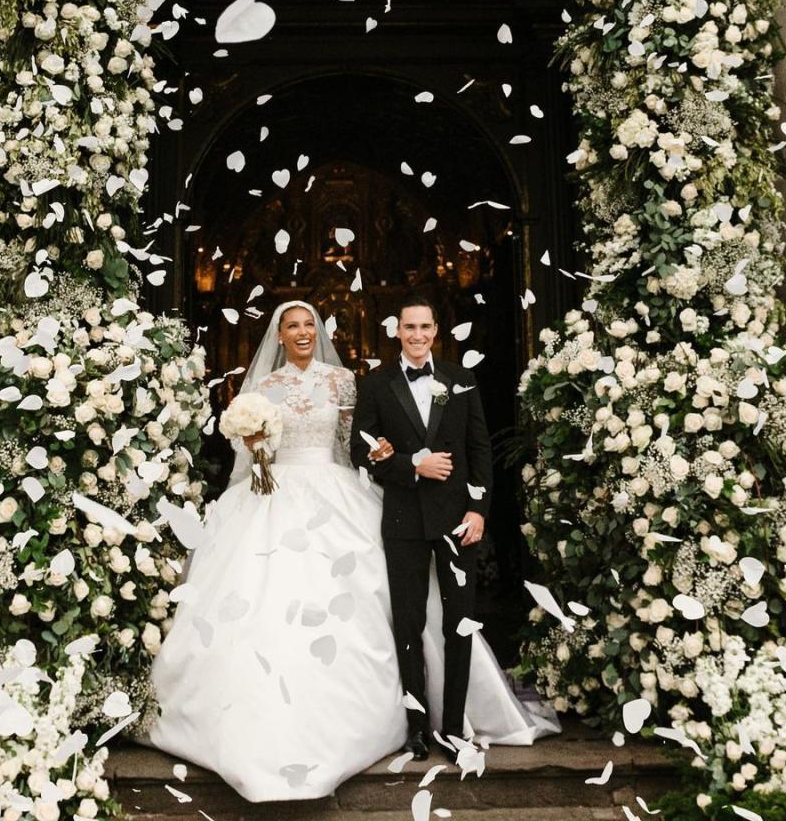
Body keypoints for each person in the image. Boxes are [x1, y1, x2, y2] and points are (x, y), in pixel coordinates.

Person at [146, 300, 557, 803]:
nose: (300, 333)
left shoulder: (344, 381)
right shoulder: (264, 389)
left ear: (317, 331)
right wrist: (255, 447)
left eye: (307, 325)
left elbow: (354, 446)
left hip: (334, 492)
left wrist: (397, 473)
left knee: (404, 610)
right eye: (291, 326)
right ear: (278, 335)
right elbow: (257, 455)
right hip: (269, 499)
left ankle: (436, 720)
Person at [350, 295, 530, 762]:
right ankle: (416, 728)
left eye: (425, 327)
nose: (417, 335)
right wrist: (413, 466)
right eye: (408, 327)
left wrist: (479, 511)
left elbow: (480, 450)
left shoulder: (461, 379)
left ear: (436, 330)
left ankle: (453, 728)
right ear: (397, 332)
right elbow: (360, 452)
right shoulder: (375, 385)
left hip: (457, 519)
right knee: (408, 623)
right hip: (404, 522)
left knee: (459, 623)